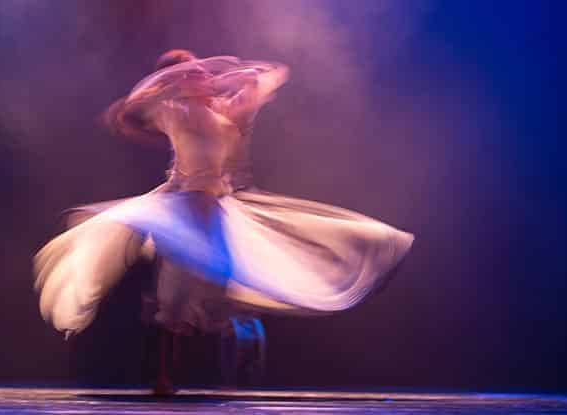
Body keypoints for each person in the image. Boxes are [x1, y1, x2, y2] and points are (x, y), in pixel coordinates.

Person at [34, 49, 414, 393]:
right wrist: (166, 86)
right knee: (176, 299)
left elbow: (271, 77)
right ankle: (163, 376)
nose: (199, 74)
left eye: (198, 70)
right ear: (175, 84)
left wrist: (245, 76)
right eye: (188, 73)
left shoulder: (223, 109)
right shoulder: (174, 111)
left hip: (217, 207)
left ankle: (226, 371)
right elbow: (130, 113)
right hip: (182, 206)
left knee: (224, 295)